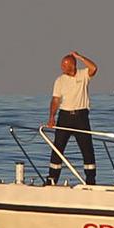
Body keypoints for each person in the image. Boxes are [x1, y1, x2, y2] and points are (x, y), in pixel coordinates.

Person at [45, 51, 99, 185]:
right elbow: (56, 99)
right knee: (57, 148)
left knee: (87, 149)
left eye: (65, 65)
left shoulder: (83, 75)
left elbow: (94, 68)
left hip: (81, 117)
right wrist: (52, 117)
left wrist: (80, 57)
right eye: (62, 65)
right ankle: (52, 179)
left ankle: (90, 180)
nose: (62, 68)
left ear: (72, 65)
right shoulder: (60, 80)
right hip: (64, 117)